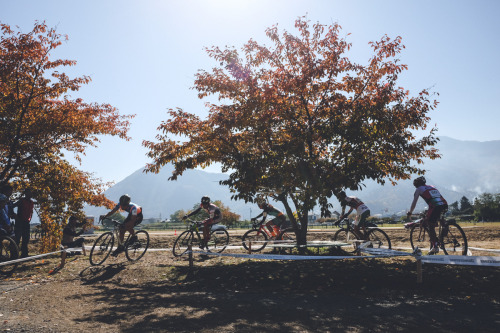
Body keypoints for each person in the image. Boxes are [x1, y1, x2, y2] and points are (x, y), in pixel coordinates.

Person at [407, 176, 448, 254]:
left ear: (416, 185)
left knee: (430, 225)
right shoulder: (431, 187)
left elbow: (414, 202)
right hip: (444, 204)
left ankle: (435, 247)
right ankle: (442, 236)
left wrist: (410, 212)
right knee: (441, 220)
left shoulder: (418, 189)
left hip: (435, 206)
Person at [13, 189, 35, 258]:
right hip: (19, 222)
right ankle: (14, 255)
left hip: (26, 222)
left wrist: (30, 219)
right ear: (26, 193)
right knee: (17, 238)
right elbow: (12, 206)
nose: (30, 194)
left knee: (26, 239)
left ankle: (24, 254)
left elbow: (31, 211)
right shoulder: (21, 201)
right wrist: (14, 215)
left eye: (31, 193)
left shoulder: (31, 202)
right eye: (29, 193)